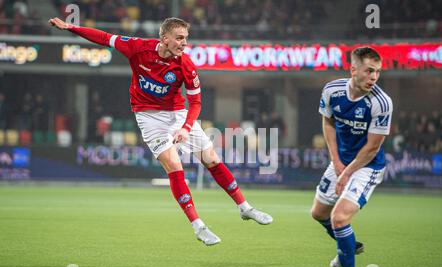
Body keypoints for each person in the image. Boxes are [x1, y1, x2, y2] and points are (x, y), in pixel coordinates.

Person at [48, 16, 273, 246]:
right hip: (148, 116)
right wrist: (71, 28)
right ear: (164, 39)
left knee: (211, 158)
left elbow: (195, 104)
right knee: (175, 166)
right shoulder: (137, 48)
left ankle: (245, 207)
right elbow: (104, 38)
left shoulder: (185, 65)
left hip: (177, 113)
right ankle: (198, 226)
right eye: (179, 38)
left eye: (186, 38)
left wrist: (185, 128)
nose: (184, 43)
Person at [310, 47, 393, 267]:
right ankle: (347, 247)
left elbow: (372, 147)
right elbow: (327, 121)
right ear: (353, 69)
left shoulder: (381, 102)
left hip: (367, 167)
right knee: (318, 213)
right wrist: (336, 162)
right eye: (369, 71)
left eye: (377, 72)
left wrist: (346, 173)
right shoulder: (332, 90)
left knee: (340, 217)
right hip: (341, 162)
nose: (374, 77)